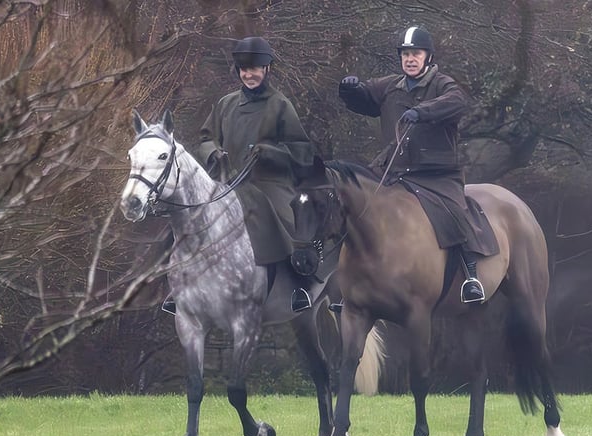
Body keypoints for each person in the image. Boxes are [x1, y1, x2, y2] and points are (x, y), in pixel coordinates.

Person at [338, 26, 496, 303]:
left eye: (415, 53)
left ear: (427, 56)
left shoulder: (443, 84)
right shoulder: (389, 86)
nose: (410, 59)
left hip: (437, 174)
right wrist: (350, 90)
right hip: (394, 172)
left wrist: (422, 111)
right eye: (405, 54)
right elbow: (364, 98)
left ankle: (470, 275)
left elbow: (457, 102)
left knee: (454, 212)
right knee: (356, 209)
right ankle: (353, 279)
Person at [197, 36, 319, 312]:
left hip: (268, 183)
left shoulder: (280, 104)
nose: (248, 74)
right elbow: (205, 137)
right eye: (244, 69)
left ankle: (302, 285)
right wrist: (213, 152)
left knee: (286, 221)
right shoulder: (225, 104)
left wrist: (271, 152)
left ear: (267, 70)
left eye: (254, 69)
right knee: (189, 215)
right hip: (228, 182)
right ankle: (176, 285)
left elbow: (301, 151)